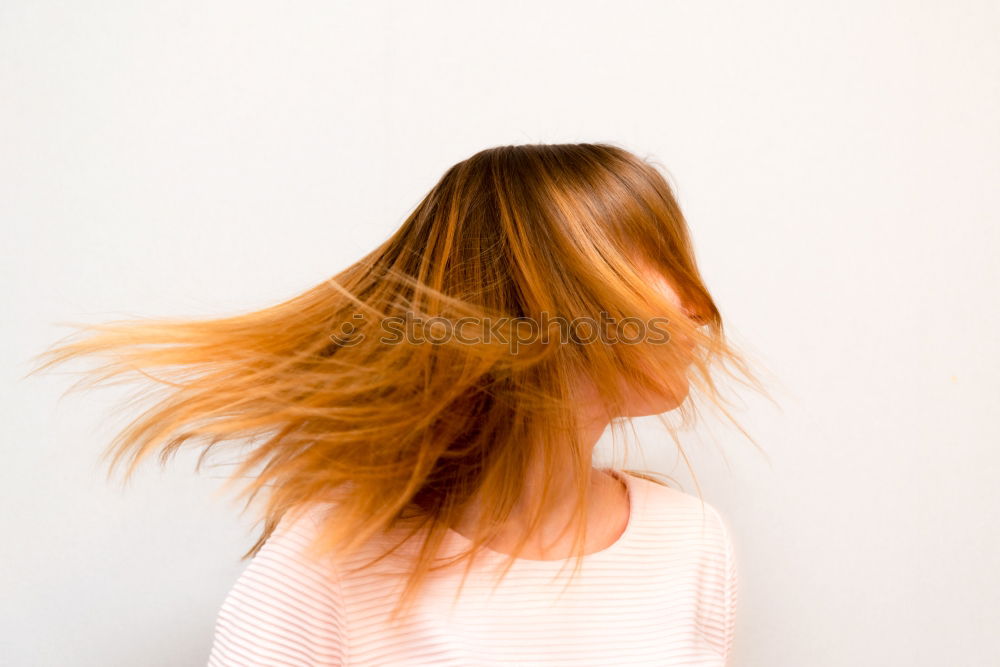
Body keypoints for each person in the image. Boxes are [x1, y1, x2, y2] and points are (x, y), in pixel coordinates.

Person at [31, 142, 768, 665]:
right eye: (665, 262)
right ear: (544, 300)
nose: (702, 307)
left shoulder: (691, 544)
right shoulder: (330, 558)